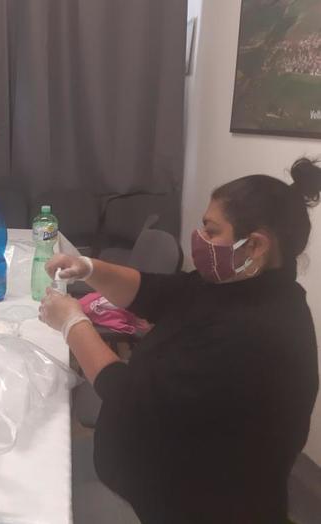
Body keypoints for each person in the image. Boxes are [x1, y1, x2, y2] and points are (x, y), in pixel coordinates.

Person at [40, 158, 320, 523]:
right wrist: (90, 268)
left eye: (211, 231)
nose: (199, 238)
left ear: (254, 246)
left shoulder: (258, 333)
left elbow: (130, 394)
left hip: (195, 506)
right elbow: (158, 292)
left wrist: (73, 324)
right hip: (159, 471)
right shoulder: (234, 285)